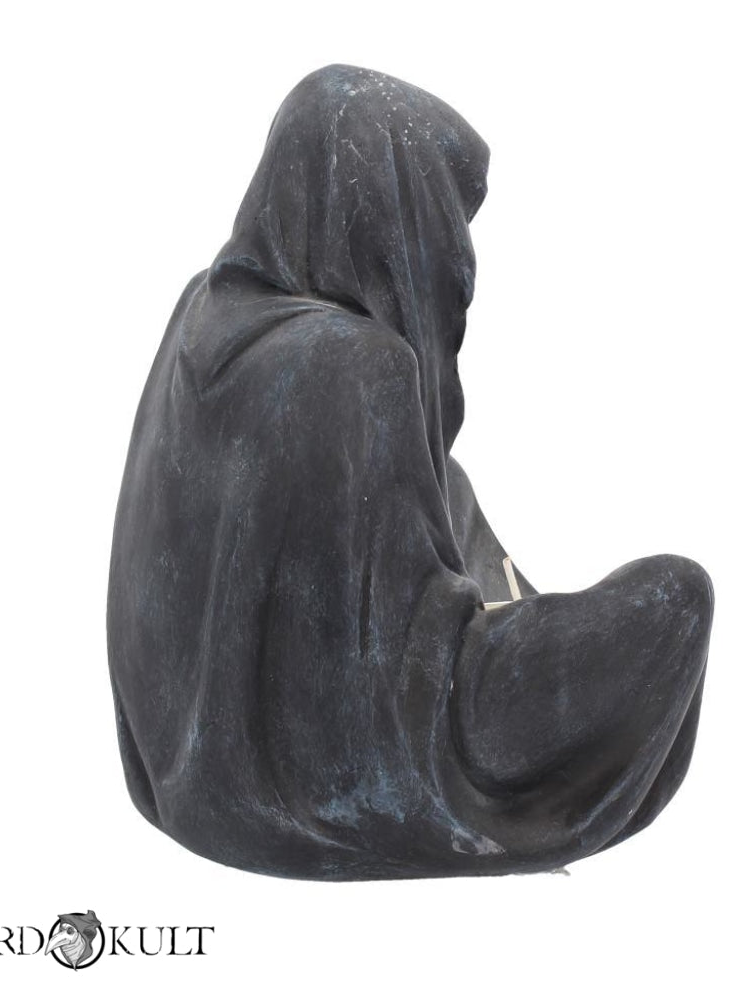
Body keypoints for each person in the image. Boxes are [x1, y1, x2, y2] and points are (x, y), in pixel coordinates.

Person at [107, 64, 713, 880]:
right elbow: (405, 684)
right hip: (330, 779)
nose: (458, 253)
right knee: (675, 598)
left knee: (448, 491)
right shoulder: (359, 368)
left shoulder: (200, 312)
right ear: (395, 210)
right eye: (445, 215)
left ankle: (510, 616)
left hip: (177, 782)